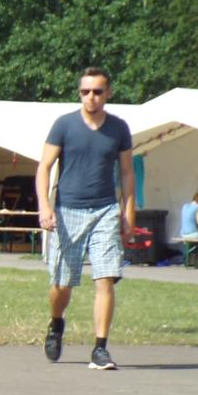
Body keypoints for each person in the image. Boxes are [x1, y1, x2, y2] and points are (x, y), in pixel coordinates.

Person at [35, 67, 136, 370]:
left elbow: (127, 174)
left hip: (105, 210)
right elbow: (44, 167)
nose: (91, 97)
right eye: (85, 91)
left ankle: (100, 348)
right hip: (68, 211)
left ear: (108, 93)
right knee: (62, 283)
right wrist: (44, 206)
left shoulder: (119, 128)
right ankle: (56, 323)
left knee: (106, 278)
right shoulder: (64, 125)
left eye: (97, 91)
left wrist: (129, 213)